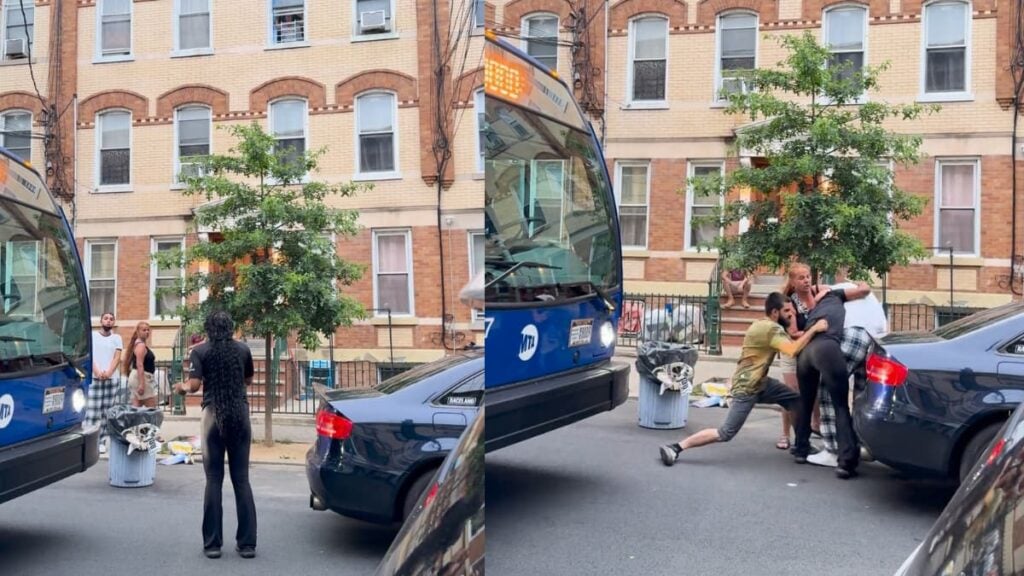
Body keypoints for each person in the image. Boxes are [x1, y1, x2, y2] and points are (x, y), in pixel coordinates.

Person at [659, 292, 827, 467]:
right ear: (775, 312)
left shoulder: (764, 325)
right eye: (786, 311)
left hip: (761, 383)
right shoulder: (772, 329)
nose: (791, 314)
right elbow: (791, 350)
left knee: (795, 401)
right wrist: (814, 329)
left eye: (791, 310)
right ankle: (676, 447)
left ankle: (802, 445)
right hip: (747, 388)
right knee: (725, 432)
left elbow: (790, 340)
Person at [173, 311, 257, 560]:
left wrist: (181, 388)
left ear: (209, 329)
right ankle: (247, 544)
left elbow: (194, 385)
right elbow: (249, 380)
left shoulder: (200, 351)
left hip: (213, 416)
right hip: (239, 415)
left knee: (213, 480)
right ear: (231, 327)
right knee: (242, 480)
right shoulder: (243, 350)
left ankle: (213, 544)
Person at [791, 278, 872, 479]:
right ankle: (847, 461)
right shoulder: (833, 295)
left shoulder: (809, 312)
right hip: (826, 348)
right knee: (840, 405)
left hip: (806, 352)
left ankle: (801, 449)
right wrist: (859, 283)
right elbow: (863, 290)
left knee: (806, 401)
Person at [85, 312, 123, 454]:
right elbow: (90, 355)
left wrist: (108, 372)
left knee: (107, 412)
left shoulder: (117, 338)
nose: (108, 321)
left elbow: (117, 357)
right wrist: (97, 371)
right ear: (101, 321)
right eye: (106, 318)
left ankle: (101, 441)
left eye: (111, 319)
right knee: (93, 411)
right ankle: (90, 440)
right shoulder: (93, 336)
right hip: (95, 377)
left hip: (111, 379)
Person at [122, 321, 157, 408]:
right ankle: (150, 422)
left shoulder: (139, 344)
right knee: (151, 408)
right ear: (138, 332)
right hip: (141, 377)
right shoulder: (140, 345)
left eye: (148, 330)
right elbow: (139, 365)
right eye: (144, 330)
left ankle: (134, 421)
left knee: (137, 407)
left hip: (138, 377)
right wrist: (142, 384)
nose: (147, 332)